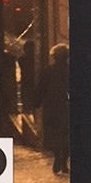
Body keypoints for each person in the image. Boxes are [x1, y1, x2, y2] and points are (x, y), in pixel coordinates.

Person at [31, 42, 70, 174]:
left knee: (54, 134)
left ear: (54, 57)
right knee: (66, 134)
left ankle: (57, 156)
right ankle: (64, 161)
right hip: (66, 106)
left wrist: (36, 103)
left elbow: (40, 89)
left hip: (52, 107)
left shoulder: (48, 71)